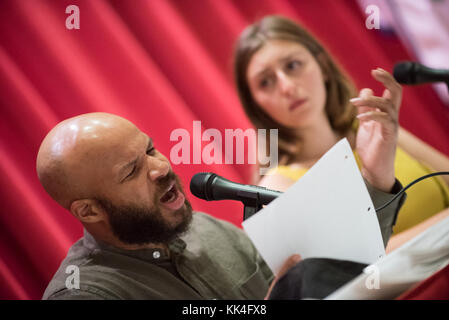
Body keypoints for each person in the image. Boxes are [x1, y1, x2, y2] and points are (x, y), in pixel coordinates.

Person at [38, 112, 405, 300]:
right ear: (88, 211)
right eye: (132, 170)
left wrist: (375, 177)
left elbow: (342, 270)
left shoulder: (205, 229)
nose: (162, 167)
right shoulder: (85, 293)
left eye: (150, 149)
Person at [233, 15, 449, 252]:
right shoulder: (274, 187)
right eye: (266, 82)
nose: (287, 87)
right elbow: (357, 267)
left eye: (293, 66)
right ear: (255, 105)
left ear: (323, 67)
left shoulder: (373, 128)